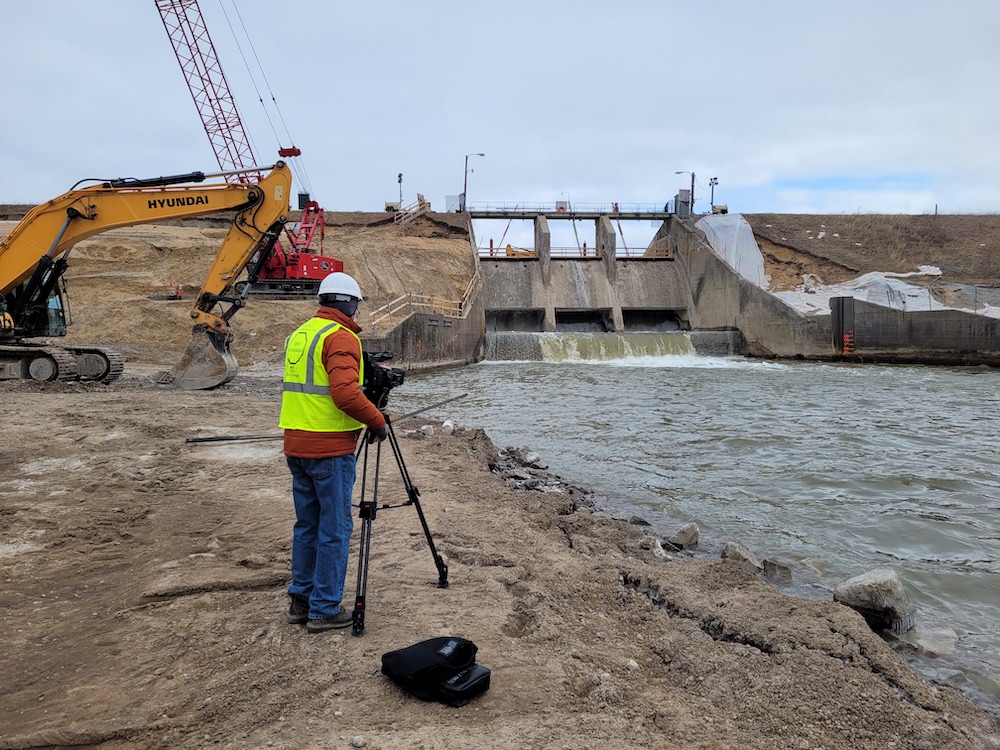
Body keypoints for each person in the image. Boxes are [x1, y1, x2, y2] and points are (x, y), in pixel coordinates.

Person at [279, 272, 388, 633]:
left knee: (307, 525)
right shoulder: (340, 336)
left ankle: (301, 600)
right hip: (328, 449)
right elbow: (344, 394)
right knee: (335, 528)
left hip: (297, 445)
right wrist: (376, 421)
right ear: (351, 303)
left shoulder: (302, 333)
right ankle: (324, 609)